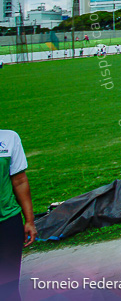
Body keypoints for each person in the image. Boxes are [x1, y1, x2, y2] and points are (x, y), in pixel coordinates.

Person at [0, 129, 35, 301]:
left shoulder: (9, 138)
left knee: (9, 286)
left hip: (7, 221)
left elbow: (19, 180)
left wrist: (29, 220)